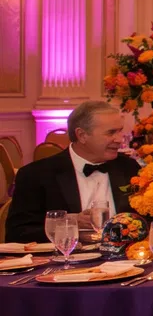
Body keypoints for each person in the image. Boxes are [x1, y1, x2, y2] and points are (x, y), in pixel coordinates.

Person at [5, 101, 136, 243]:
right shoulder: (36, 175)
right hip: (63, 261)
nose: (120, 139)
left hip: (125, 260)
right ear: (82, 135)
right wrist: (70, 223)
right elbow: (17, 233)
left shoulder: (129, 168)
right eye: (111, 132)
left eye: (120, 130)